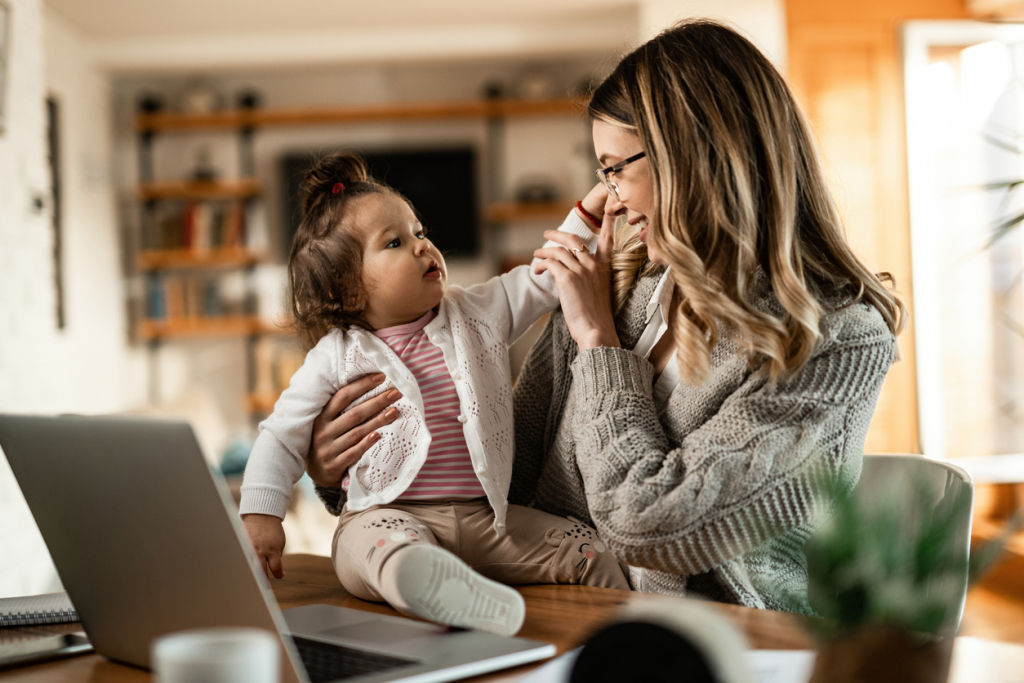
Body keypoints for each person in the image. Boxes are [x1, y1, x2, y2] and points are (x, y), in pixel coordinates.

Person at [306, 20, 905, 616]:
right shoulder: (623, 288)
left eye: (617, 168)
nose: (609, 198)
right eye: (602, 174)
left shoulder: (839, 342)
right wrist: (349, 468)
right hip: (569, 615)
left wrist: (597, 344)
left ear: (694, 155)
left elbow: (652, 527)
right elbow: (505, 484)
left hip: (724, 644)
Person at [238, 152, 628, 638]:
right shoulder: (335, 355)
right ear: (347, 290)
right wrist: (261, 517)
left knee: (592, 550)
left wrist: (591, 208)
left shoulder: (477, 310)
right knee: (377, 552)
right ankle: (440, 590)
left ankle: (631, 641)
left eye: (420, 232)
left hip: (490, 521)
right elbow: (281, 436)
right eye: (396, 242)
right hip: (386, 516)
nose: (423, 247)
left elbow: (546, 276)